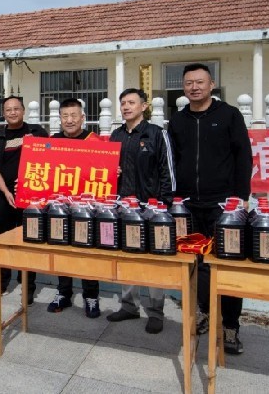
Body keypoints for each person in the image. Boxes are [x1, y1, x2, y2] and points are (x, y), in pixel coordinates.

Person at [167, 63, 252, 354]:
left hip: (222, 205)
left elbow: (244, 156)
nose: (194, 87)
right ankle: (202, 312)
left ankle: (230, 327)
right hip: (188, 206)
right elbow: (172, 161)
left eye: (200, 82)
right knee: (195, 265)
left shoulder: (229, 115)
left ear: (212, 84)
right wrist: (174, 197)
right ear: (183, 87)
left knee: (227, 265)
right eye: (189, 83)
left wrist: (242, 195)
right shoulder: (177, 121)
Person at [106, 88, 176, 334]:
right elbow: (106, 170)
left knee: (153, 261)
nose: (126, 107)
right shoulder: (115, 136)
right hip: (124, 206)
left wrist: (164, 206)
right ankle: (129, 305)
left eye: (131, 102)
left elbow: (168, 171)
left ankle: (156, 311)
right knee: (127, 256)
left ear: (144, 106)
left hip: (151, 208)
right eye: (123, 102)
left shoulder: (156, 134)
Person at [0, 96, 48, 304]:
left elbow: (49, 159)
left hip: (32, 199)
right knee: (5, 243)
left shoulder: (37, 132)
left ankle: (28, 287)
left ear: (23, 110)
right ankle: (2, 283)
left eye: (16, 109)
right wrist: (6, 191)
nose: (12, 112)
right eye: (8, 110)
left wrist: (28, 187)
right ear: (4, 113)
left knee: (29, 242)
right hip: (5, 198)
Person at [46, 98, 102, 318]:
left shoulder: (94, 141)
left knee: (86, 251)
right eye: (65, 116)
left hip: (86, 209)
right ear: (59, 118)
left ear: (83, 118)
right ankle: (64, 292)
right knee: (61, 249)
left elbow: (103, 172)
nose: (69, 120)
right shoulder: (52, 142)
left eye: (73, 116)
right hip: (59, 207)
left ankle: (91, 295)